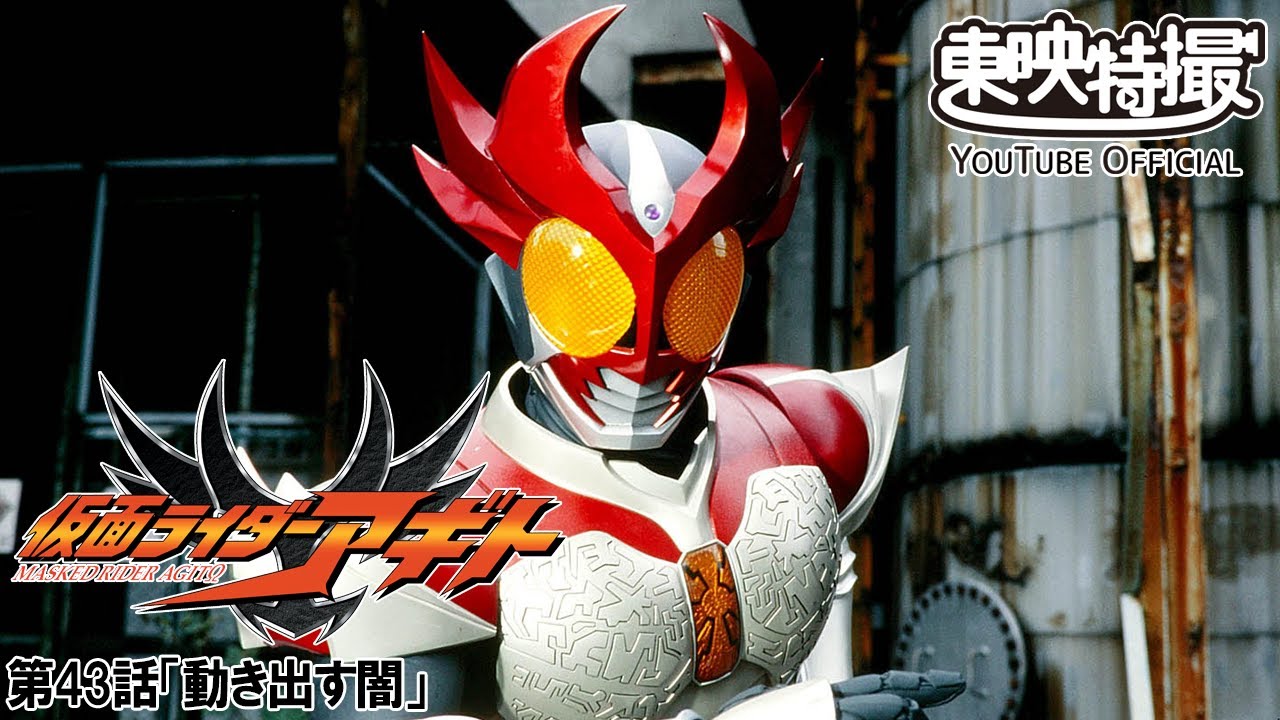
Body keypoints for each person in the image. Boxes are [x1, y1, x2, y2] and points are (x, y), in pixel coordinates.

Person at [325, 7, 965, 719]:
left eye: (695, 293)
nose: (641, 355)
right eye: (589, 293)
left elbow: (826, 664)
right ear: (514, 290)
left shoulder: (806, 425)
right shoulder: (436, 517)